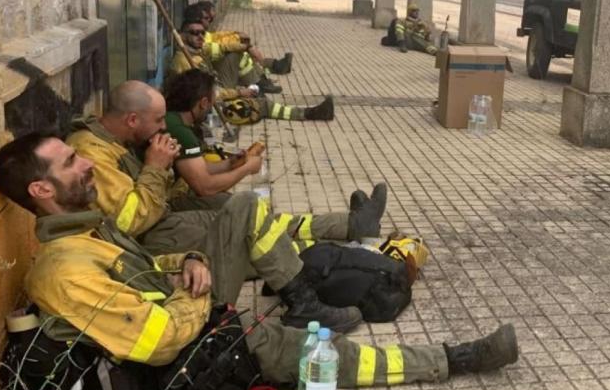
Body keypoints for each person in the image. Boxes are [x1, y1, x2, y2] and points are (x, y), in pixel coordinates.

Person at [0, 132, 519, 390]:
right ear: (41, 192)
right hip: (181, 360)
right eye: (68, 163)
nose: (84, 164)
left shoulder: (87, 234)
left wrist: (190, 266)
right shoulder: (63, 269)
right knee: (318, 357)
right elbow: (157, 342)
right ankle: (454, 360)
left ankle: (320, 281)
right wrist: (202, 304)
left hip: (193, 324)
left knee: (250, 220)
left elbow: (148, 269)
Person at [65, 81, 385, 330]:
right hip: (153, 239)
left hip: (163, 220)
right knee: (248, 215)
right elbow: (130, 221)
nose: (163, 128)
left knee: (250, 219)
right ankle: (307, 296)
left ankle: (349, 227)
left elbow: (177, 188)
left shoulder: (116, 139)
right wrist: (155, 167)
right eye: (158, 120)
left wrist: (191, 167)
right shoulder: (92, 153)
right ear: (132, 119)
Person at [171, 18, 333, 124]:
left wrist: (248, 47)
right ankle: (308, 113)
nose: (200, 36)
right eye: (194, 33)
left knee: (233, 55)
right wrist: (239, 93)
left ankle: (260, 80)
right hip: (208, 109)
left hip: (216, 90)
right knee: (260, 106)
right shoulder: (184, 61)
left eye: (202, 33)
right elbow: (212, 94)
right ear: (182, 36)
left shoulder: (198, 50)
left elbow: (223, 47)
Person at [163, 69, 265, 200]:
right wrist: (247, 169)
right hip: (165, 201)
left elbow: (200, 168)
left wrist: (229, 164)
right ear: (203, 103)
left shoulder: (173, 119)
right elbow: (205, 187)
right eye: (211, 104)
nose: (210, 109)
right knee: (231, 204)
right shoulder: (181, 132)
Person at [182, 2, 291, 95]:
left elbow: (220, 36)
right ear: (196, 21)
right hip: (216, 88)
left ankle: (270, 70)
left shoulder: (201, 35)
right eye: (207, 18)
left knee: (241, 53)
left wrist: (237, 35)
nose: (210, 21)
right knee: (237, 54)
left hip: (215, 80)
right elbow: (219, 46)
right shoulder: (196, 41)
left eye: (211, 18)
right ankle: (262, 78)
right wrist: (246, 47)